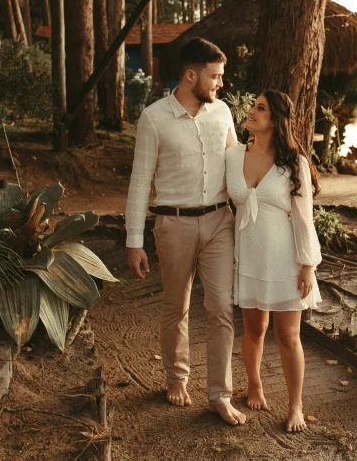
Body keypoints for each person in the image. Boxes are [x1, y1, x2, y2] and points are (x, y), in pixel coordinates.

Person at [125, 37, 246, 426]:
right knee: (176, 307)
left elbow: (238, 165)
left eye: (221, 76)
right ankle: (177, 378)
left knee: (221, 309)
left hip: (219, 222)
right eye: (214, 76)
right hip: (173, 224)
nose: (220, 84)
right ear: (191, 75)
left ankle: (219, 396)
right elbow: (140, 182)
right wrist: (133, 241)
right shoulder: (154, 118)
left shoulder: (222, 113)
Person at [226, 90, 323, 433]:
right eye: (253, 105)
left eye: (260, 108)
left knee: (288, 336)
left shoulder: (293, 163)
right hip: (249, 255)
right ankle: (254, 384)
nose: (251, 111)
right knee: (254, 329)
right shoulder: (233, 155)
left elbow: (303, 216)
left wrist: (307, 264)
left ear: (276, 120)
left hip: (285, 259)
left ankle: (295, 405)